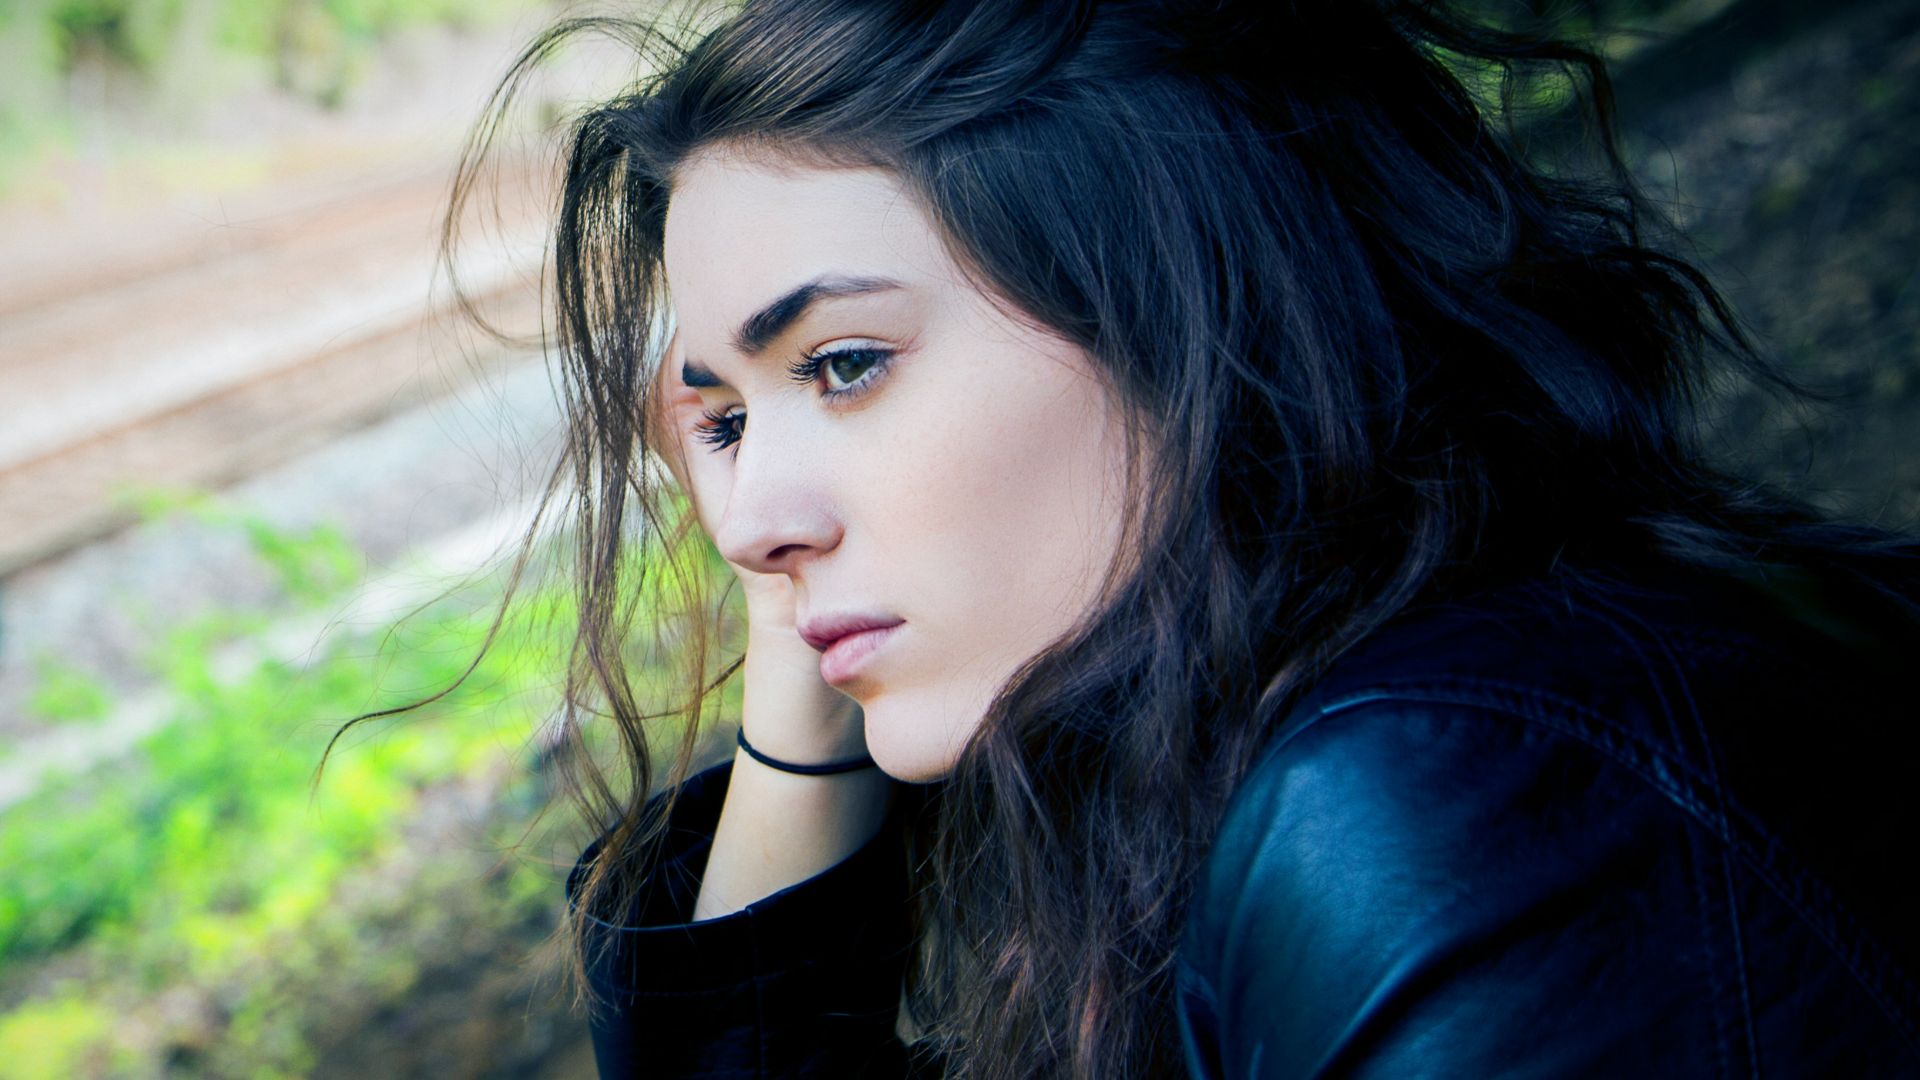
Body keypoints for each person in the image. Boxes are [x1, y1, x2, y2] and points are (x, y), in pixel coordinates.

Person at [409, 0, 1920, 1075]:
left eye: (845, 365)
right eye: (722, 422)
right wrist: (804, 672)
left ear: (1184, 309)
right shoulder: (1325, 732)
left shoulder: (1457, 805)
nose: (746, 524)